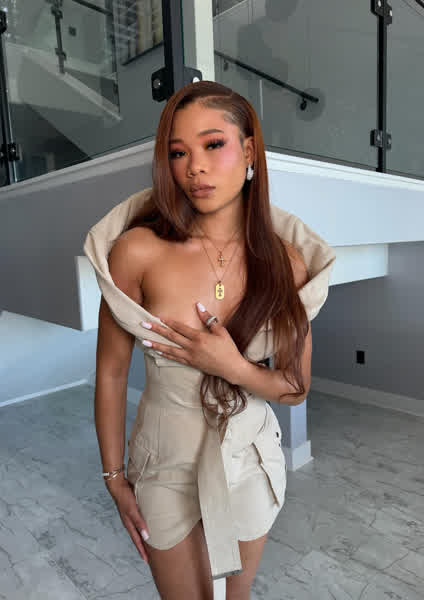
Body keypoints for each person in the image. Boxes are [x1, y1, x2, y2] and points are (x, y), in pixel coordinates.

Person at [83, 80, 336, 600]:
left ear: (250, 151)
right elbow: (110, 371)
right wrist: (113, 478)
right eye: (179, 152)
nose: (194, 167)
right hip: (164, 462)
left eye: (213, 144)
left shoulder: (285, 263)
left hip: (249, 458)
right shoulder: (137, 252)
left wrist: (232, 366)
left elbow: (295, 387)